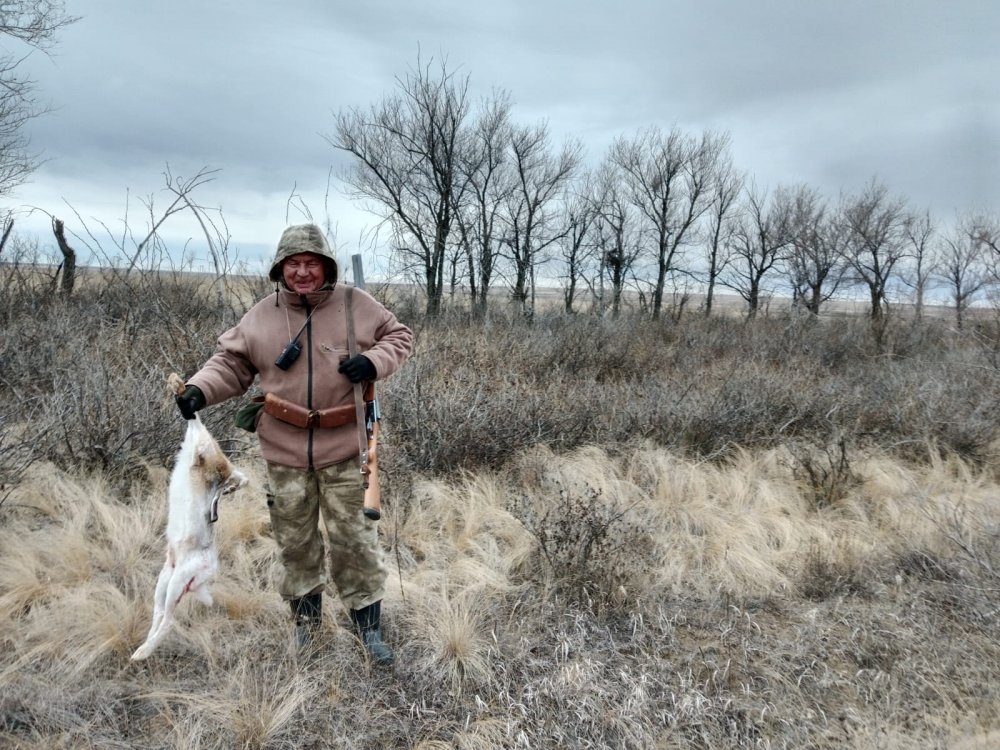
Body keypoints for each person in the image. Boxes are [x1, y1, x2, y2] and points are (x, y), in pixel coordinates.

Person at [174, 223, 413, 665]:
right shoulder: (262, 315)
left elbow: (400, 337)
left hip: (345, 448)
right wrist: (198, 390)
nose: (303, 272)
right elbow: (231, 364)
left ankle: (369, 630)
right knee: (295, 544)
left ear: (326, 266)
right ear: (280, 268)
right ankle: (307, 626)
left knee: (355, 542)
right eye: (294, 264)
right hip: (284, 451)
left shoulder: (356, 305)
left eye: (311, 263)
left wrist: (373, 361)